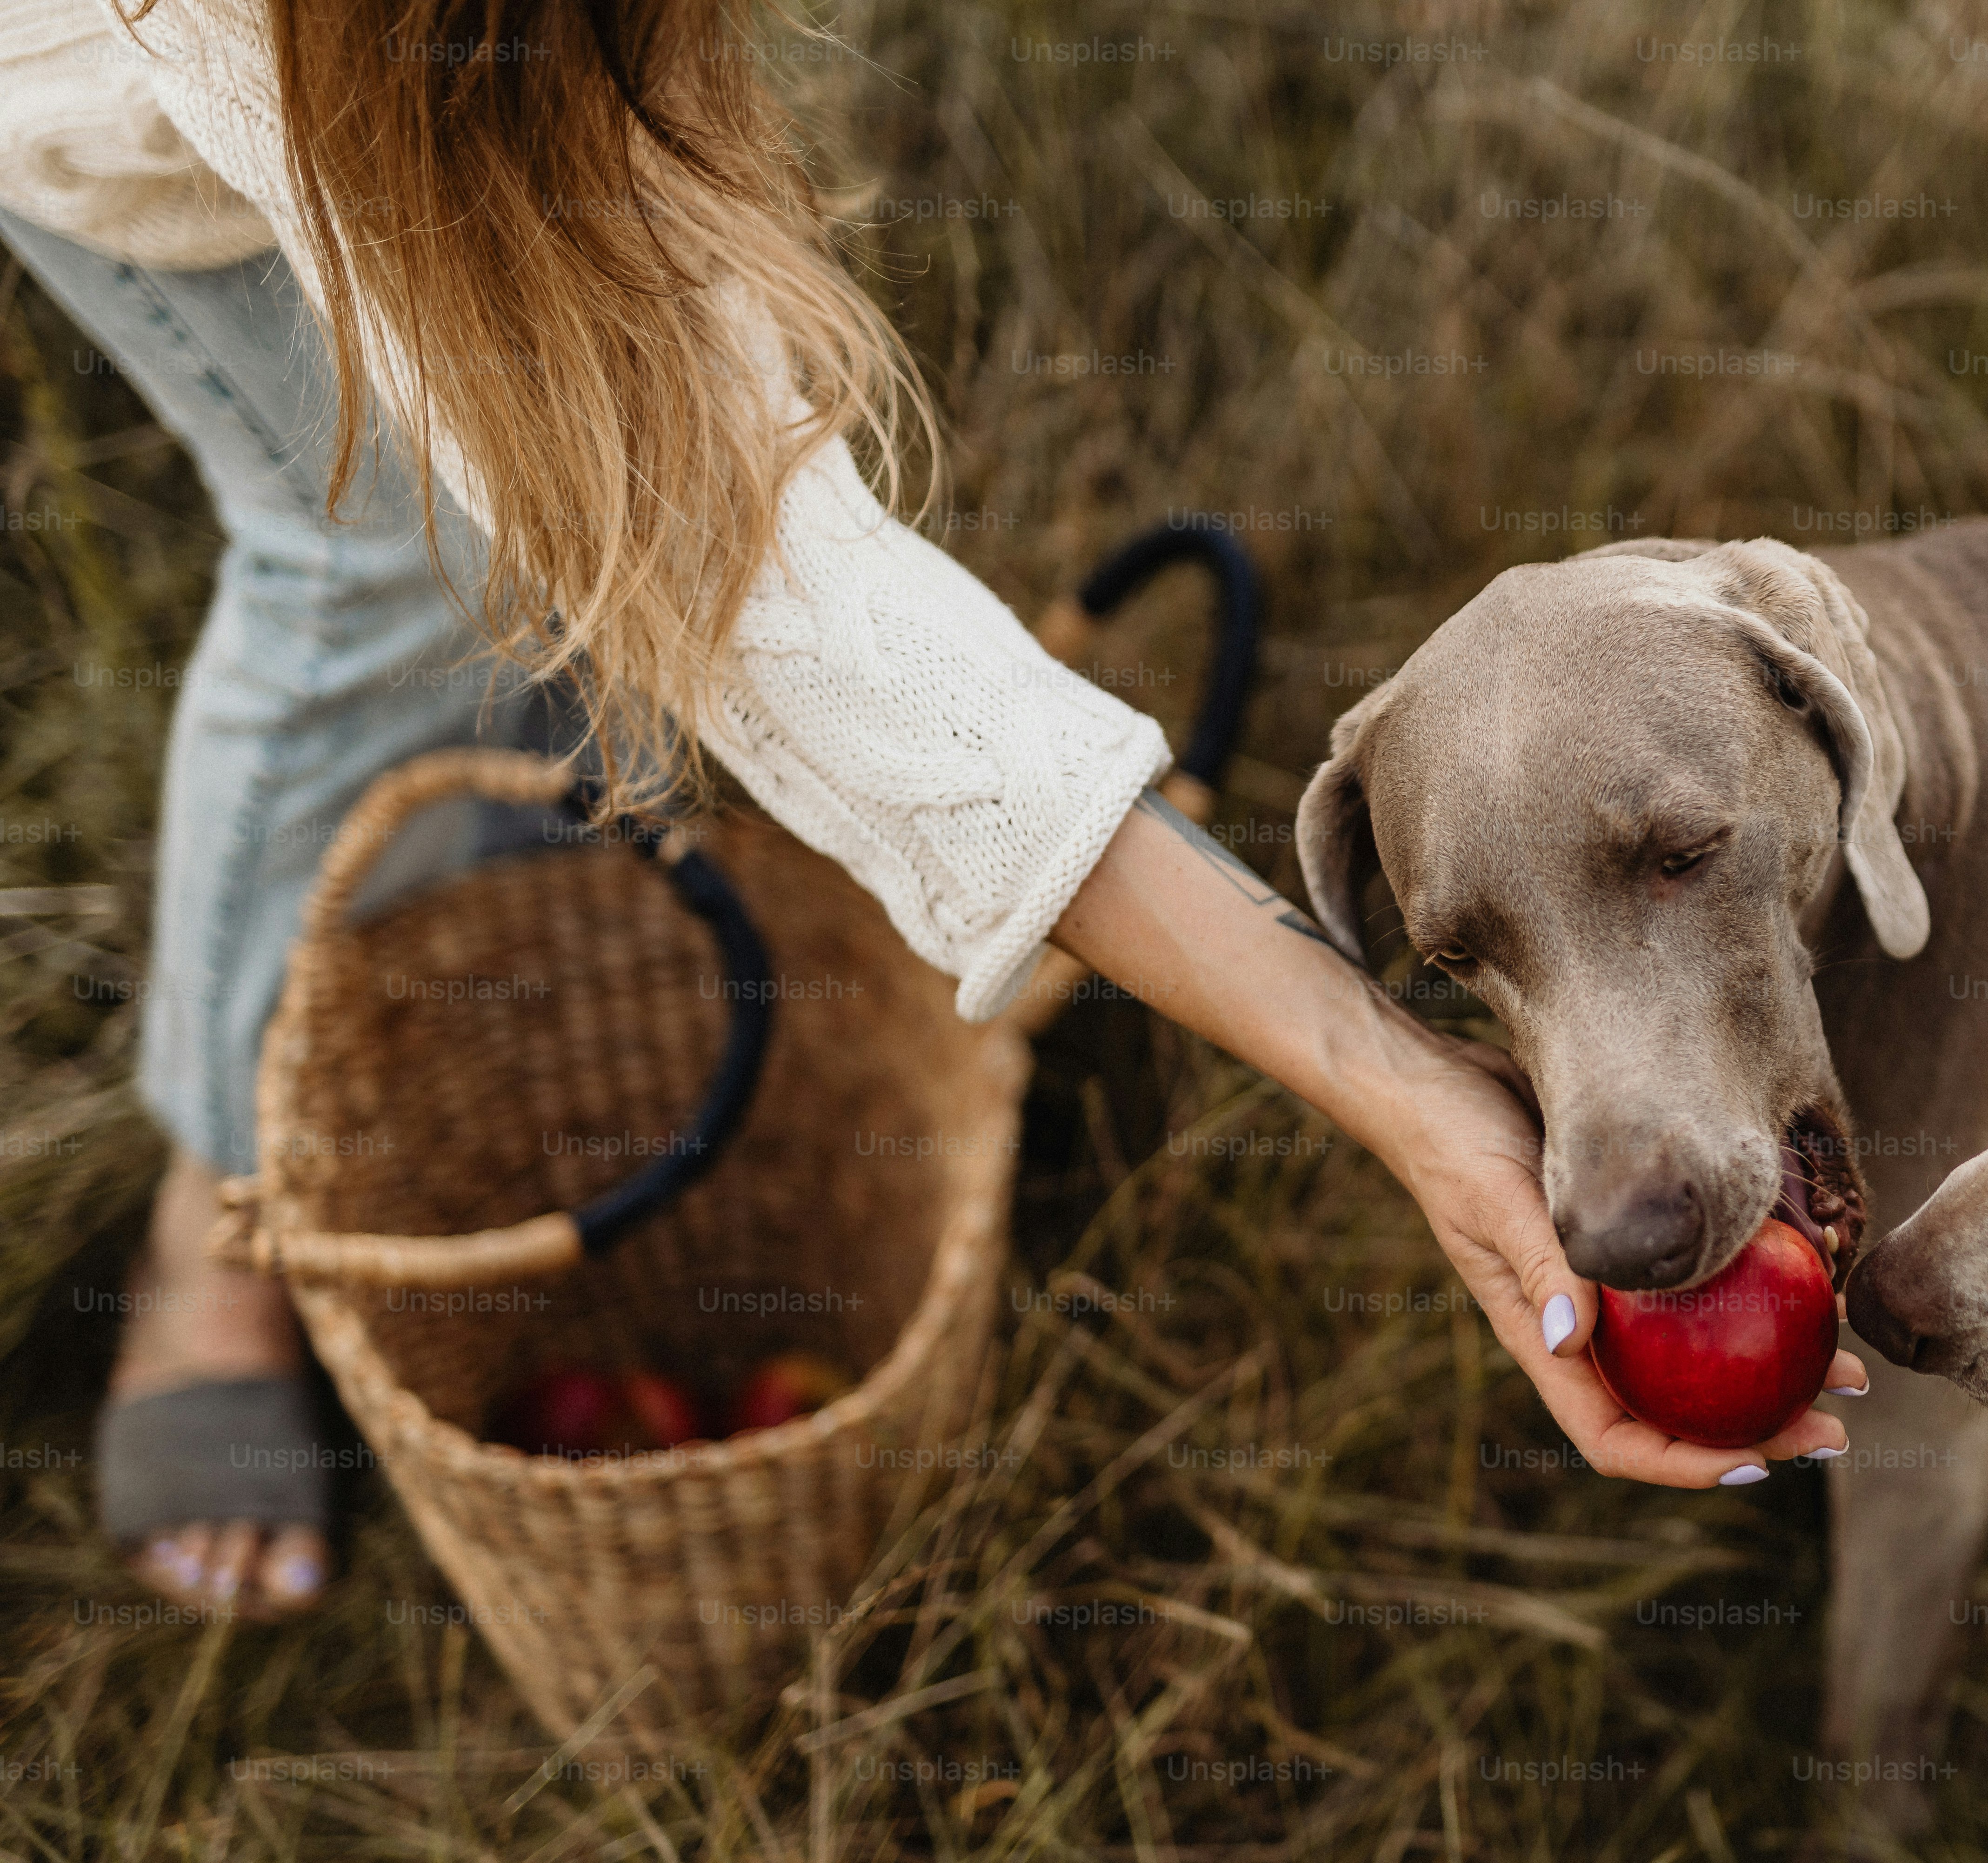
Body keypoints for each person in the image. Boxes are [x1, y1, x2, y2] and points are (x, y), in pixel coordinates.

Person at [0, 0, 1854, 1618]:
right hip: (120, 88)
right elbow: (758, 585)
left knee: (531, 517)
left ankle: (495, 806)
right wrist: (1391, 1085)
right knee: (380, 573)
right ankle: (213, 1220)